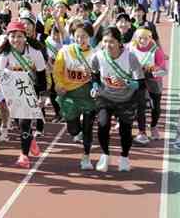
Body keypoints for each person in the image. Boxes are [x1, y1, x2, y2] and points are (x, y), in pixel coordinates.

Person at [89, 27, 145, 172]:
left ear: (119, 42)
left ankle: (125, 157)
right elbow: (94, 75)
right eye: (105, 41)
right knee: (102, 125)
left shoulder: (130, 57)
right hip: (105, 97)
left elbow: (140, 83)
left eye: (112, 42)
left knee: (125, 131)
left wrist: (125, 82)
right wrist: (94, 87)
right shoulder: (98, 56)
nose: (108, 45)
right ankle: (105, 154)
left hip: (126, 99)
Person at [0, 21, 48, 169]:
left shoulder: (35, 52)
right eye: (12, 36)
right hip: (12, 91)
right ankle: (30, 140)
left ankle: (24, 156)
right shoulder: (5, 52)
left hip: (30, 91)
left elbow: (42, 74)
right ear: (7, 37)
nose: (16, 40)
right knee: (19, 123)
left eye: (19, 36)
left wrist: (43, 95)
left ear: (25, 37)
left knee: (25, 123)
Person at [53, 22, 98, 170]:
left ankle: (86, 157)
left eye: (84, 36)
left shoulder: (95, 54)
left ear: (90, 37)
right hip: (70, 95)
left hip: (88, 96)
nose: (80, 39)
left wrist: (95, 82)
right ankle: (76, 131)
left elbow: (100, 75)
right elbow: (57, 71)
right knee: (73, 129)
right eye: (77, 36)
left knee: (88, 128)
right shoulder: (65, 51)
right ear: (72, 36)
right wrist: (59, 85)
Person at [130, 28, 167, 144]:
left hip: (154, 80)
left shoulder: (156, 51)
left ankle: (154, 126)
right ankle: (142, 131)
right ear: (136, 38)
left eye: (146, 38)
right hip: (139, 79)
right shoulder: (130, 48)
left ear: (150, 38)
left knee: (155, 106)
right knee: (140, 106)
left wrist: (155, 72)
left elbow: (164, 70)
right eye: (140, 38)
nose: (143, 40)